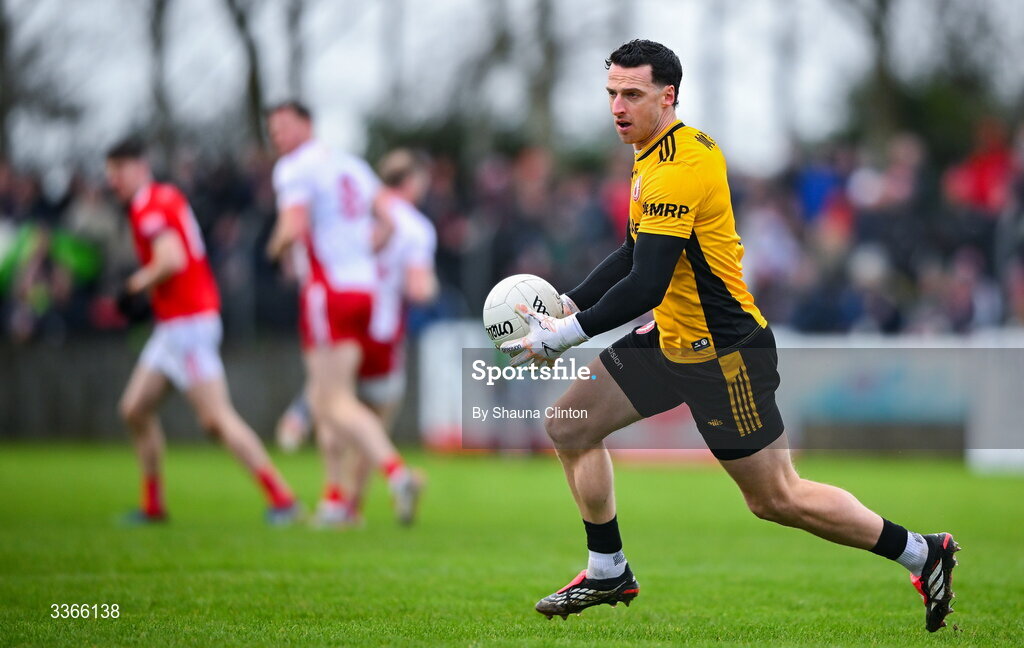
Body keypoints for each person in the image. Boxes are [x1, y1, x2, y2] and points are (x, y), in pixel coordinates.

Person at [500, 40, 959, 632]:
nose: (617, 105)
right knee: (570, 425)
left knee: (776, 499)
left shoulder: (682, 165)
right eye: (612, 92)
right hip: (671, 339)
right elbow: (632, 252)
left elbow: (645, 282)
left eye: (632, 94)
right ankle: (608, 567)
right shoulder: (652, 153)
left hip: (724, 354)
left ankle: (923, 552)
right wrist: (569, 301)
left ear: (668, 97)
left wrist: (564, 333)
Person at [105, 137, 299, 524]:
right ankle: (154, 506)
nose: (115, 182)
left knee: (217, 420)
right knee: (134, 409)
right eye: (111, 174)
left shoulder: (148, 205)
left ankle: (283, 500)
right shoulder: (163, 197)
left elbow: (172, 257)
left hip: (188, 325)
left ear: (141, 168)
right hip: (175, 325)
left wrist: (134, 286)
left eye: (120, 172)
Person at [265, 102, 424, 526]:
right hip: (364, 291)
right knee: (326, 398)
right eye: (273, 130)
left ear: (306, 125)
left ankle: (395, 473)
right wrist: (361, 254)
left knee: (332, 400)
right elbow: (388, 218)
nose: (277, 136)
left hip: (327, 291)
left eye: (283, 127)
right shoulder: (350, 165)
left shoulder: (293, 168)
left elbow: (292, 226)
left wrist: (274, 250)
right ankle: (336, 498)